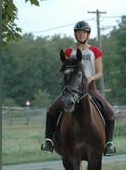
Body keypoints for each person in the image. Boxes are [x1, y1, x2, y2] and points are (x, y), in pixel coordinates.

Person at [40, 20, 116, 156]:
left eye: (84, 33)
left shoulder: (95, 51)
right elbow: (65, 70)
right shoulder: (69, 51)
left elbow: (99, 72)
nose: (81, 35)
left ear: (88, 34)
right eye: (79, 33)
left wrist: (91, 78)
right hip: (72, 88)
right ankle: (48, 140)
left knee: (110, 112)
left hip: (90, 88)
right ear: (75, 34)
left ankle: (109, 143)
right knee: (51, 110)